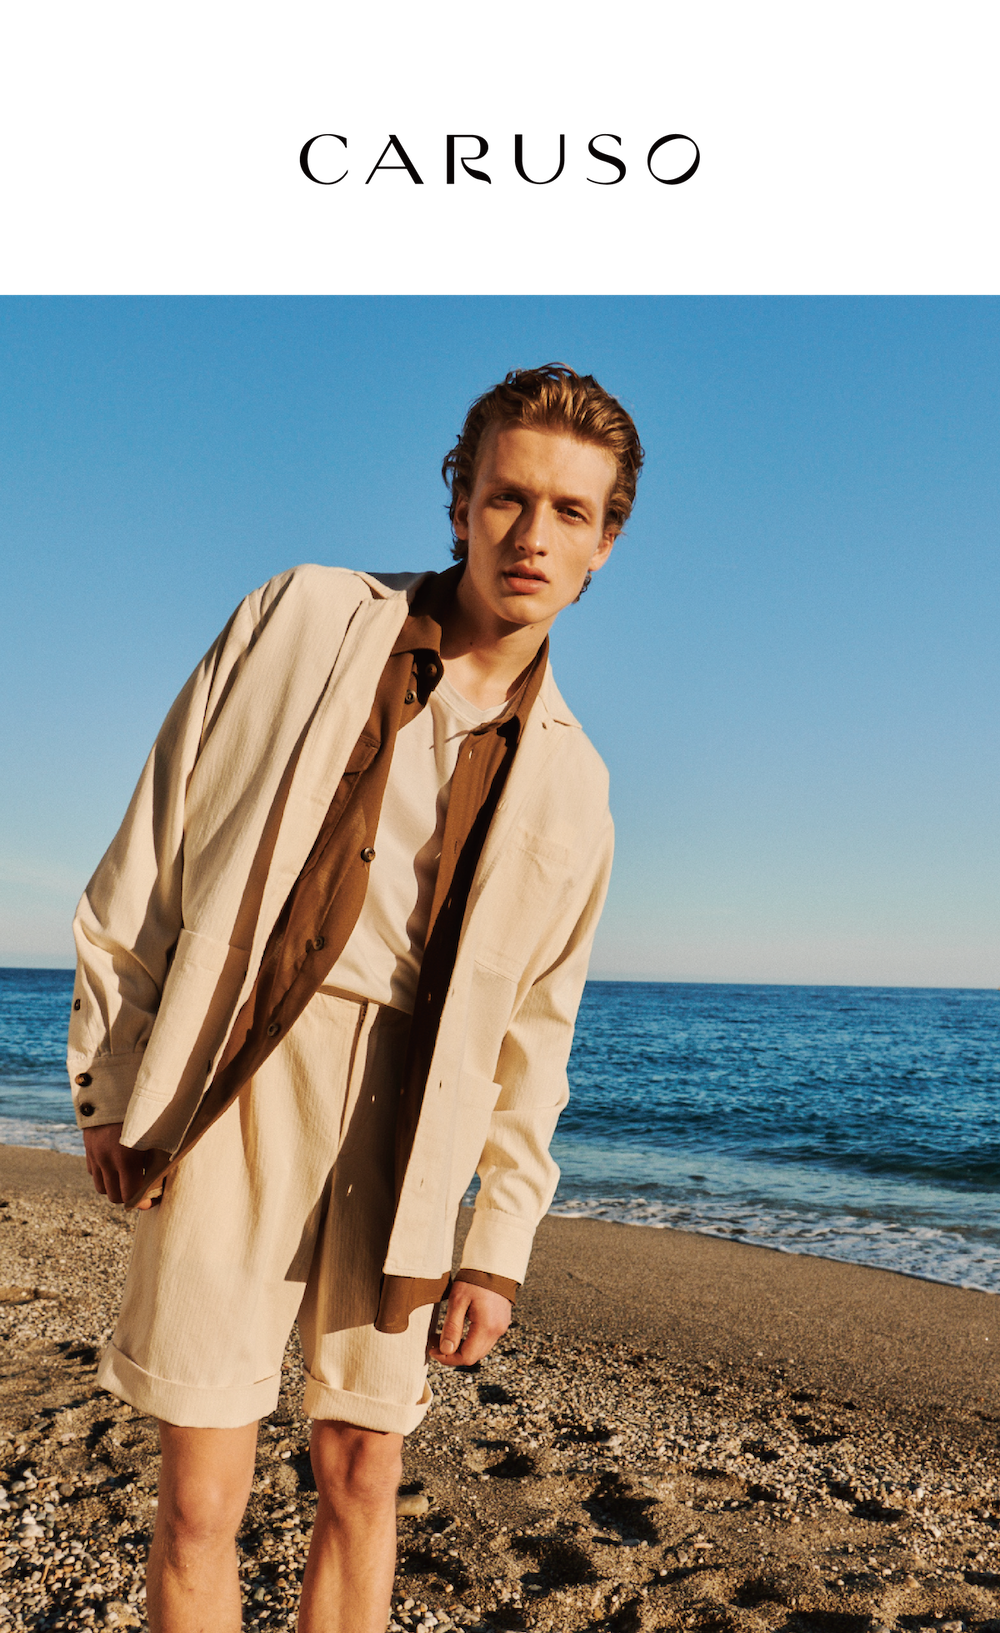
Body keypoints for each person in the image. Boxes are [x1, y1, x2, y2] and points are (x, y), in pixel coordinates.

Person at [67, 363, 643, 1632]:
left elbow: (535, 1036)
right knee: (201, 1496)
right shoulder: (304, 617)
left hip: (411, 1119)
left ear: (604, 542)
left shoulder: (578, 783)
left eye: (568, 511)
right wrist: (111, 1076)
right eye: (507, 497)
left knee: (364, 1472)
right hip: (239, 1078)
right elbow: (154, 846)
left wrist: (497, 1245)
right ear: (461, 501)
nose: (531, 535)